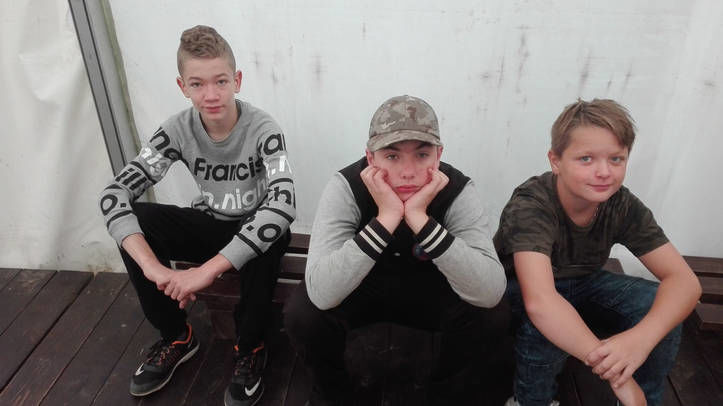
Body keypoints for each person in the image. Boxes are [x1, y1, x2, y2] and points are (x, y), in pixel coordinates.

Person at [98, 25, 295, 406]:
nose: (211, 94)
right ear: (182, 86)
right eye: (198, 84)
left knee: (270, 233)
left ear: (237, 81)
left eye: (220, 81)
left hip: (253, 229)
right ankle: (177, 336)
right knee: (136, 218)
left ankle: (250, 347)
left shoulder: (263, 128)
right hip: (212, 225)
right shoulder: (177, 129)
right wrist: (156, 270)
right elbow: (113, 194)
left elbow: (283, 203)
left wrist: (204, 273)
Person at [284, 95, 507, 405]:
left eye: (422, 154)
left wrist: (420, 219)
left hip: (432, 292)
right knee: (303, 313)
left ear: (438, 155)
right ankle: (335, 395)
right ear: (370, 157)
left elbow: (490, 290)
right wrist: (387, 217)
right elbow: (321, 291)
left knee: (493, 314)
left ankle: (447, 393)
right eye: (392, 156)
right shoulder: (345, 186)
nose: (408, 171)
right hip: (364, 291)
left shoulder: (457, 189)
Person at [494, 99, 701, 406]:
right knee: (548, 325)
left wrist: (640, 340)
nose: (604, 172)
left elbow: (685, 282)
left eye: (616, 159)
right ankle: (531, 401)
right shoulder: (531, 204)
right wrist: (618, 376)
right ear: (556, 161)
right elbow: (541, 302)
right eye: (586, 159)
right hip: (518, 293)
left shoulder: (621, 204)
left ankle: (643, 400)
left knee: (659, 305)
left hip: (585, 282)